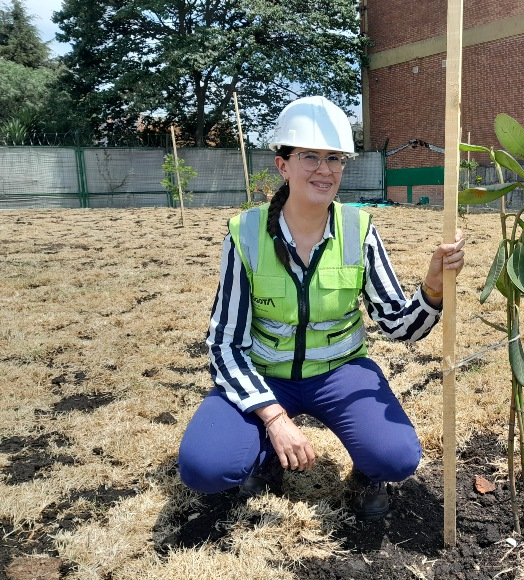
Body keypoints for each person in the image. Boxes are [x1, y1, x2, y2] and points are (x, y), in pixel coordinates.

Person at [178, 95, 465, 520]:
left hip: (340, 373)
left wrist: (433, 288)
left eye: (335, 158)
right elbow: (224, 344)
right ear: (283, 165)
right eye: (309, 156)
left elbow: (397, 325)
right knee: (205, 467)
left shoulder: (359, 229)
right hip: (266, 374)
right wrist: (273, 418)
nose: (324, 169)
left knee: (396, 457)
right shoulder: (246, 234)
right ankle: (264, 457)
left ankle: (367, 476)